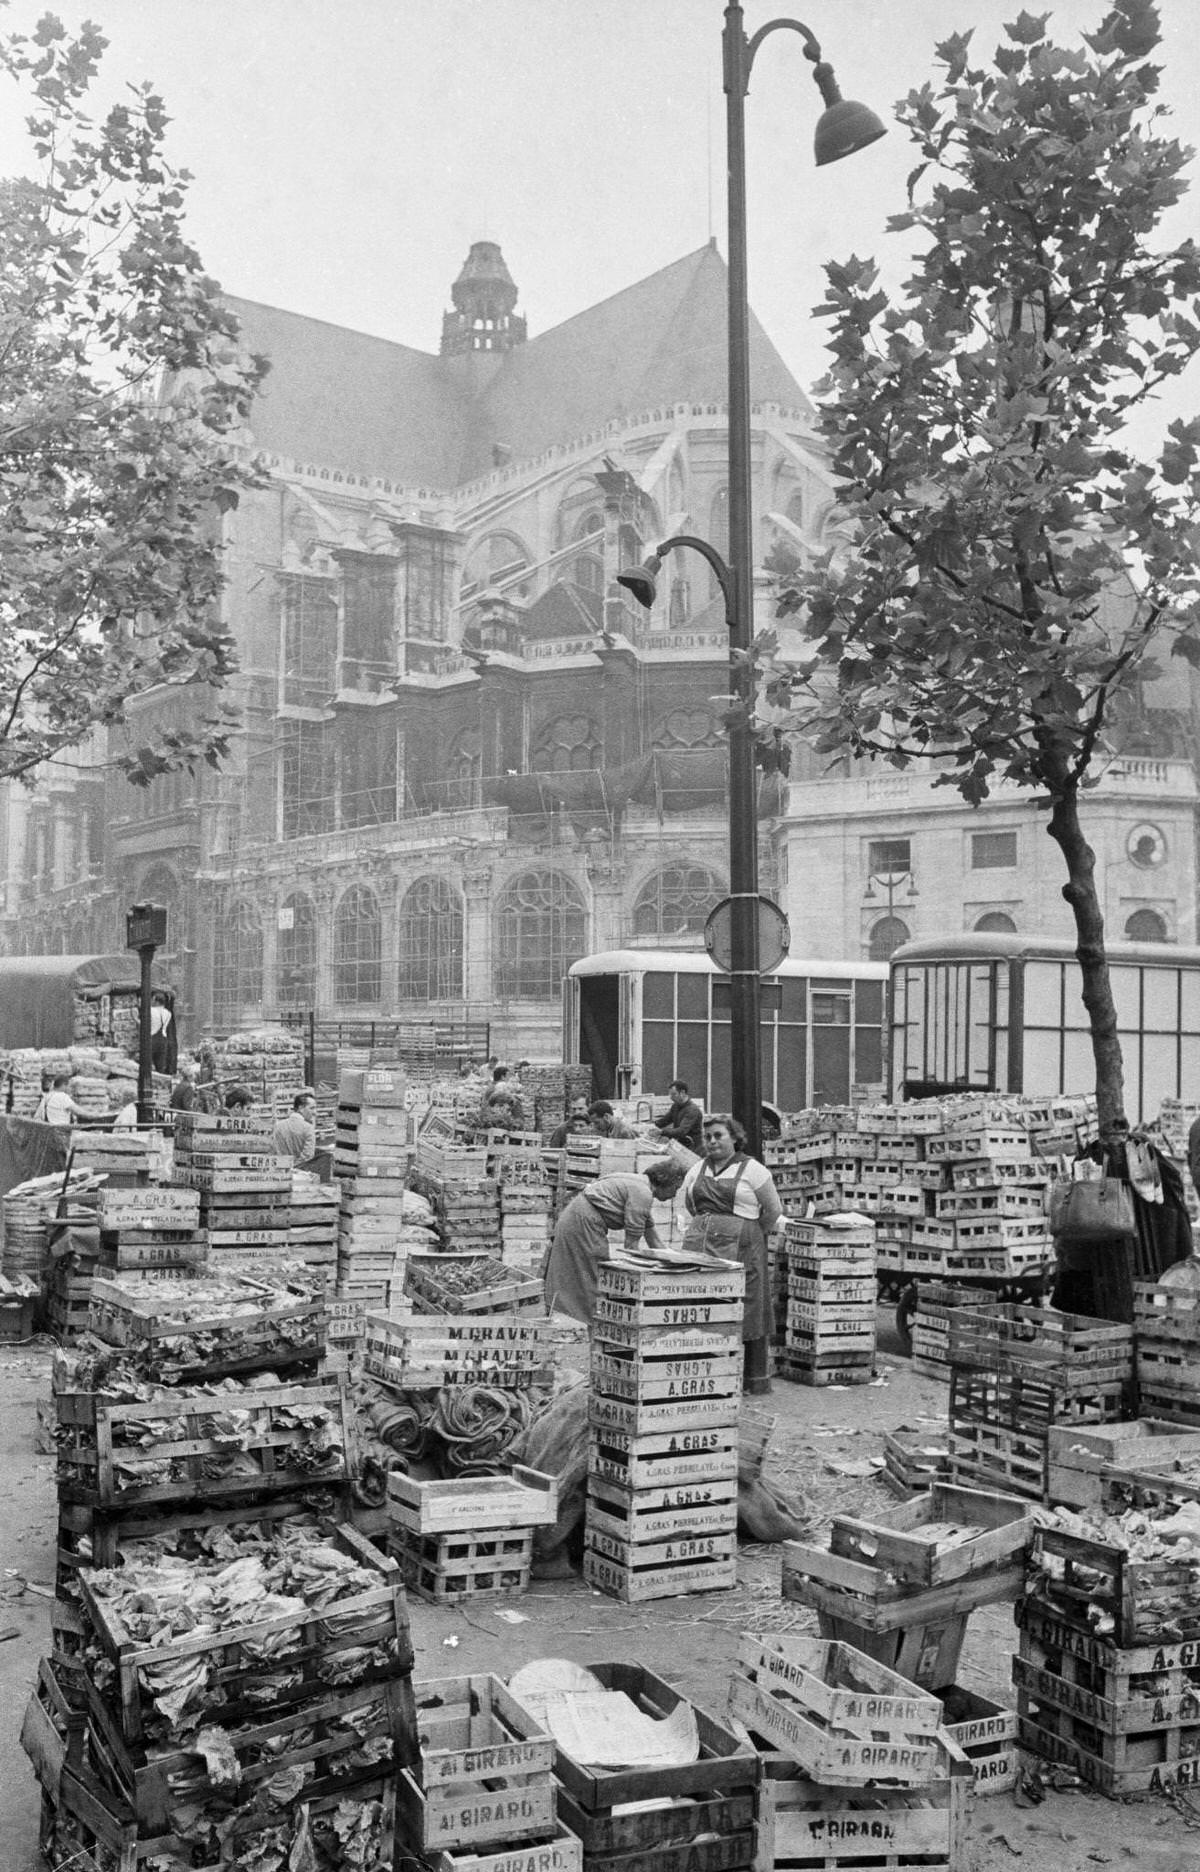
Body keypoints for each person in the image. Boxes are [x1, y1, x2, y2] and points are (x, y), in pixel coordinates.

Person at [678, 1114, 783, 1346]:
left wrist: (750, 1233)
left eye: (718, 1135)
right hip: (700, 1248)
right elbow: (689, 1204)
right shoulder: (697, 1168)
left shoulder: (753, 1169)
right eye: (707, 1137)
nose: (712, 1141)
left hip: (741, 1251)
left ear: (735, 1138)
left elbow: (773, 1209)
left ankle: (738, 1368)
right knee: (701, 1302)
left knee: (738, 1304)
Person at [544, 1159, 686, 1324]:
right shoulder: (642, 1193)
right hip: (584, 1223)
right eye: (675, 1189)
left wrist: (676, 1260)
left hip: (574, 1215)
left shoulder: (637, 1183)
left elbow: (654, 1240)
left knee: (573, 1272)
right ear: (666, 1182)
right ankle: (586, 1325)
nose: (674, 1195)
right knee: (591, 1274)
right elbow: (631, 1248)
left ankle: (568, 1319)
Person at [653, 1079, 704, 1153]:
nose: (671, 1097)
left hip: (692, 1149)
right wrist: (650, 1126)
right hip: (681, 1146)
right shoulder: (676, 1106)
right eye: (670, 1094)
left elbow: (681, 1131)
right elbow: (665, 1120)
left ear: (682, 1093)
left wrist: (661, 1132)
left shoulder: (692, 1110)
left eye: (674, 1094)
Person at [275, 1091, 317, 1163]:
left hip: (280, 1170)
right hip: (301, 1171)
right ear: (300, 1108)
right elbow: (308, 1157)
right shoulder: (308, 1128)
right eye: (312, 1108)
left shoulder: (278, 1126)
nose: (315, 1112)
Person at [149, 992, 176, 1074]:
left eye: (152, 999)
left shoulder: (151, 1010)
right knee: (160, 1065)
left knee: (148, 1062)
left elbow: (145, 1025)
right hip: (163, 1040)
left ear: (156, 1001)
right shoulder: (168, 1013)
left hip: (152, 1038)